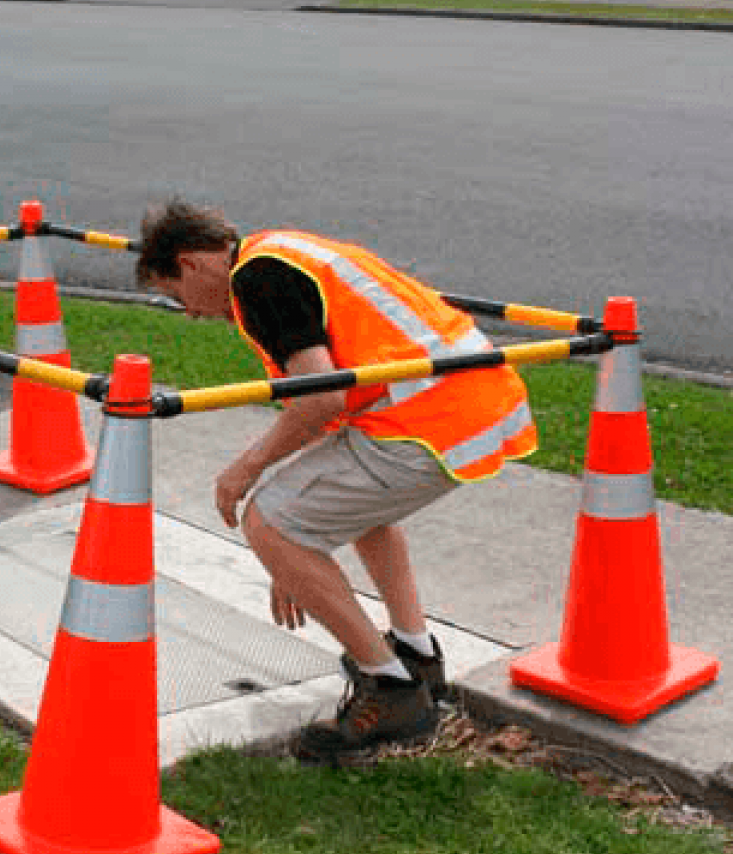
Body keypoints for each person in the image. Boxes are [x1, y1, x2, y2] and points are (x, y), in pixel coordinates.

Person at [137, 199, 538, 765]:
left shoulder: (257, 279)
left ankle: (391, 691)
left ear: (192, 263)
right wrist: (299, 547)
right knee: (326, 517)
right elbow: (333, 399)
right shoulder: (281, 250)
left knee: (268, 522)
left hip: (431, 416)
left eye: (177, 296)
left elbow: (321, 395)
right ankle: (415, 653)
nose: (190, 314)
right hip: (467, 401)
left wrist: (249, 476)